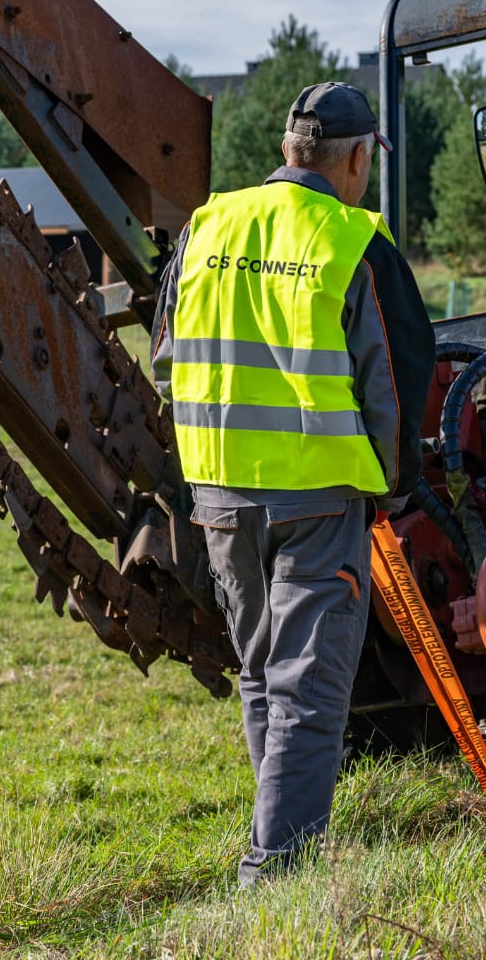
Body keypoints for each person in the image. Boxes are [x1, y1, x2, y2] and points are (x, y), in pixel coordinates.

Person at [151, 82, 435, 885]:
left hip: (218, 492)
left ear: (286, 151)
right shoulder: (354, 241)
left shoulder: (207, 227)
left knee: (261, 672)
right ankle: (274, 871)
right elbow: (395, 381)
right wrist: (395, 484)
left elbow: (165, 357)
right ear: (354, 157)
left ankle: (277, 844)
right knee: (308, 690)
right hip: (317, 496)